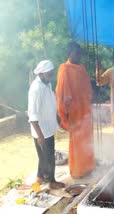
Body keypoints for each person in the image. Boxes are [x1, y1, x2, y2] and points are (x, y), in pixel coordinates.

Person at [56, 42, 95, 178]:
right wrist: (64, 114)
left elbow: (88, 89)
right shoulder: (64, 69)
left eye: (79, 53)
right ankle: (78, 170)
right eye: (76, 53)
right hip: (74, 113)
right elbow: (61, 94)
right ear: (69, 53)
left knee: (88, 140)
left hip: (85, 112)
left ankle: (88, 167)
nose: (79, 56)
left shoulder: (82, 68)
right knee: (77, 142)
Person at [28, 60, 65, 189]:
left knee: (43, 155)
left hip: (48, 127)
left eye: (52, 73)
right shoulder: (36, 89)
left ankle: (40, 176)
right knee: (49, 156)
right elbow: (32, 115)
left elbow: (50, 103)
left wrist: (56, 117)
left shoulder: (46, 84)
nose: (52, 77)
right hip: (42, 130)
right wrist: (40, 135)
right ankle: (52, 181)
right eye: (49, 74)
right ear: (41, 74)